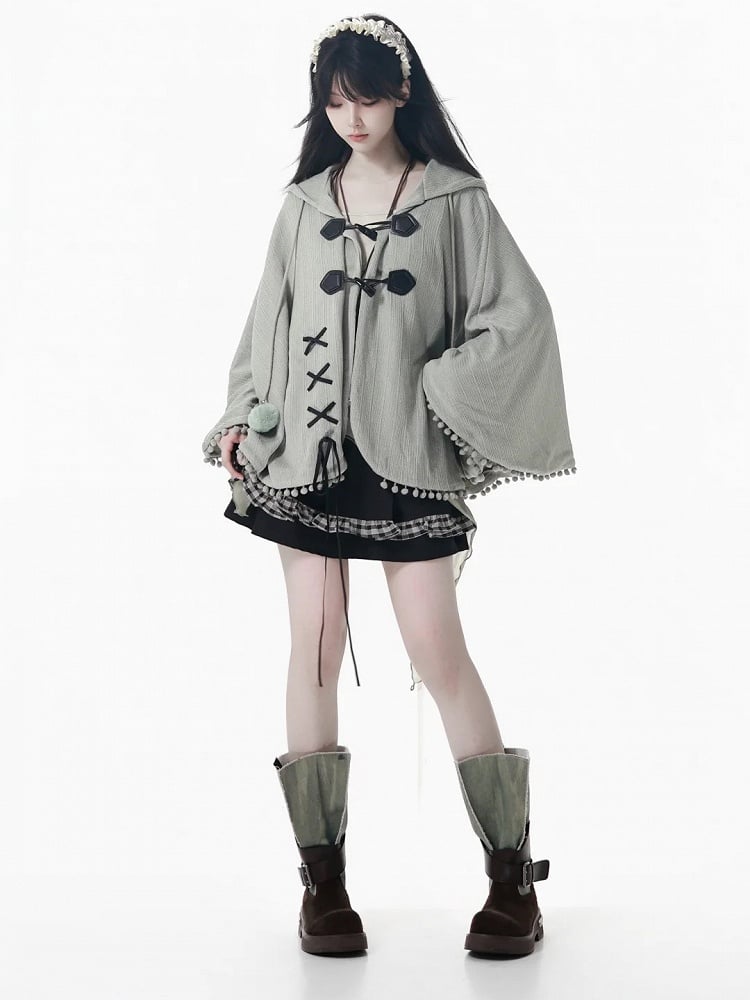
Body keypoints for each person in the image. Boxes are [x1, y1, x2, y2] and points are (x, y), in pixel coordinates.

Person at [201, 13, 576, 958]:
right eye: (336, 101)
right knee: (314, 652)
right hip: (307, 462)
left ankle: (511, 883)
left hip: (406, 462)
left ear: (403, 91)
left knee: (438, 653)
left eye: (367, 97)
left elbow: (520, 319)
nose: (353, 117)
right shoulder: (304, 204)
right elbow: (265, 324)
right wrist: (243, 416)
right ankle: (323, 889)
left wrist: (439, 389)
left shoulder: (454, 200)